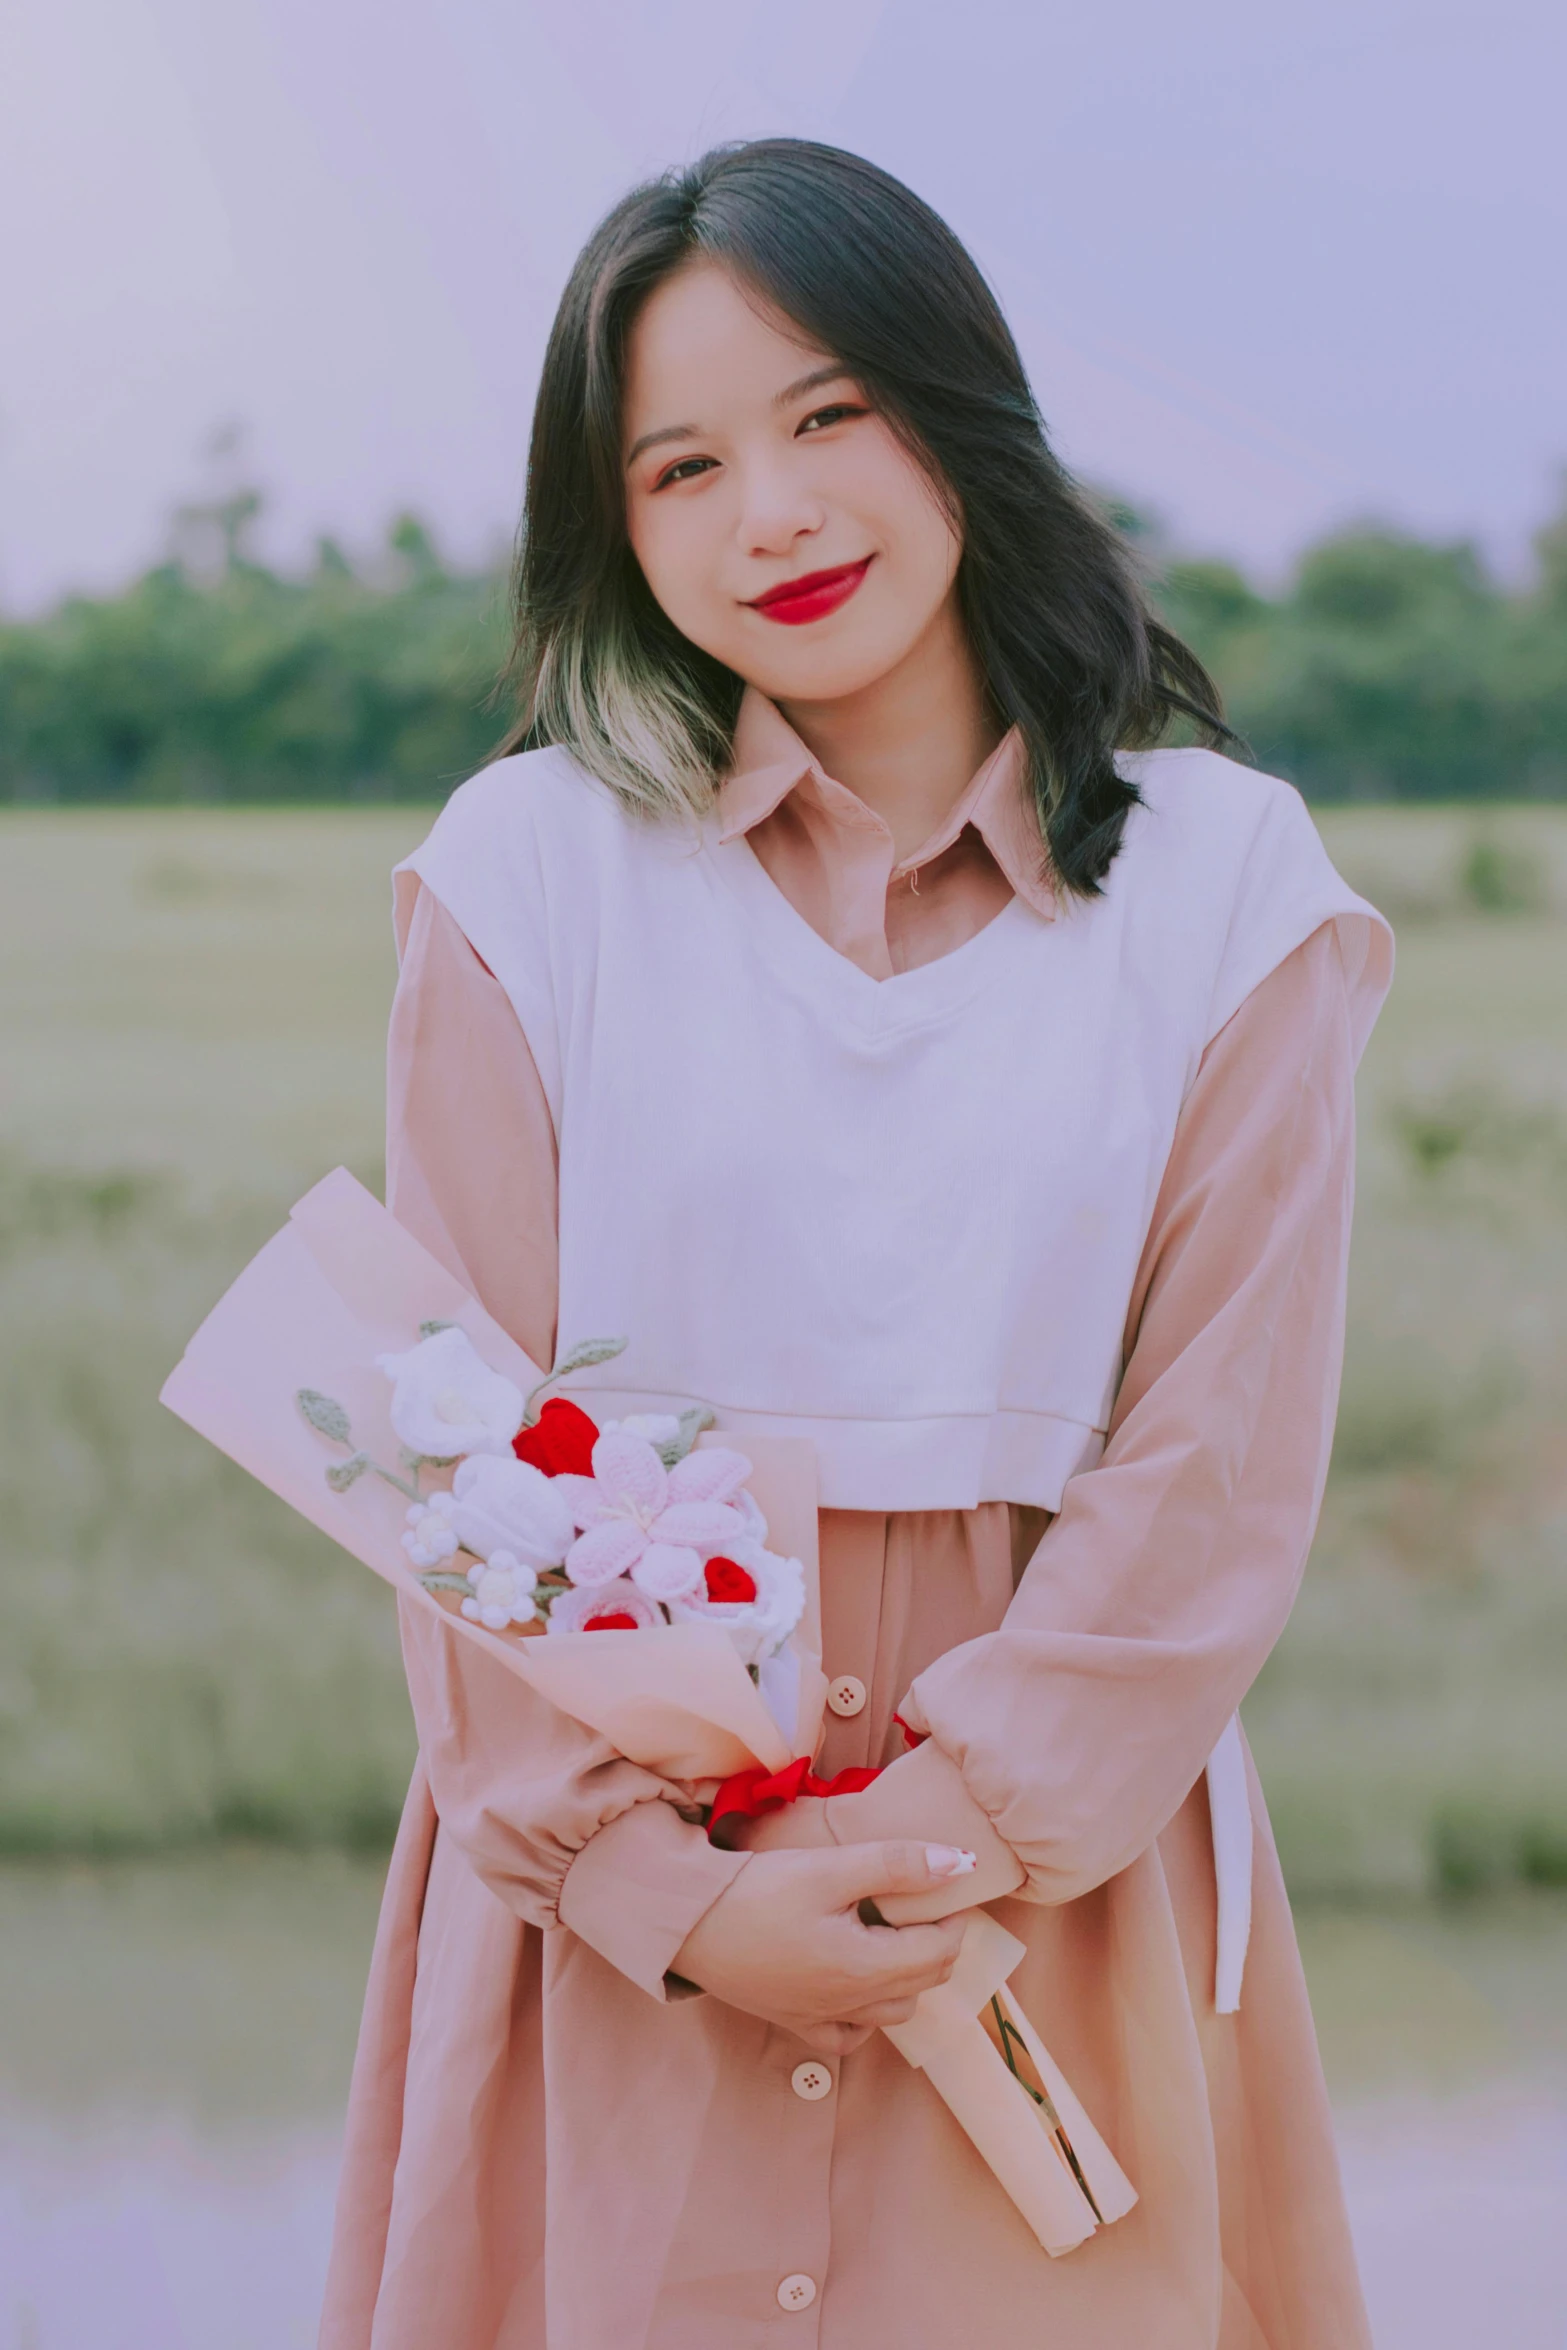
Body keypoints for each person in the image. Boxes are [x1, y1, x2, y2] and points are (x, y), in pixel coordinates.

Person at [318, 140, 1392, 2350]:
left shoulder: (1231, 885)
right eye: (679, 467)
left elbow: (1214, 1460)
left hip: (1047, 1901)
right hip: (618, 1910)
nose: (771, 516)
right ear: (612, 529)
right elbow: (450, 1434)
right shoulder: (525, 872)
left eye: (826, 419)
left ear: (956, 410)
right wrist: (670, 1891)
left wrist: (944, 1829)